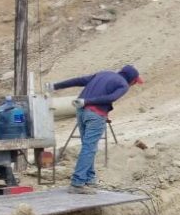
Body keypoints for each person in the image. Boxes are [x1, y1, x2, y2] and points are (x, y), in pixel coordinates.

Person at [49, 65, 143, 194]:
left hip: (81, 112)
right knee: (90, 148)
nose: (133, 84)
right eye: (134, 82)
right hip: (95, 115)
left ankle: (89, 180)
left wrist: (56, 85)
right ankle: (77, 183)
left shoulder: (102, 74)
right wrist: (87, 101)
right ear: (131, 79)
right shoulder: (123, 85)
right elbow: (111, 98)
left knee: (88, 147)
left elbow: (79, 80)